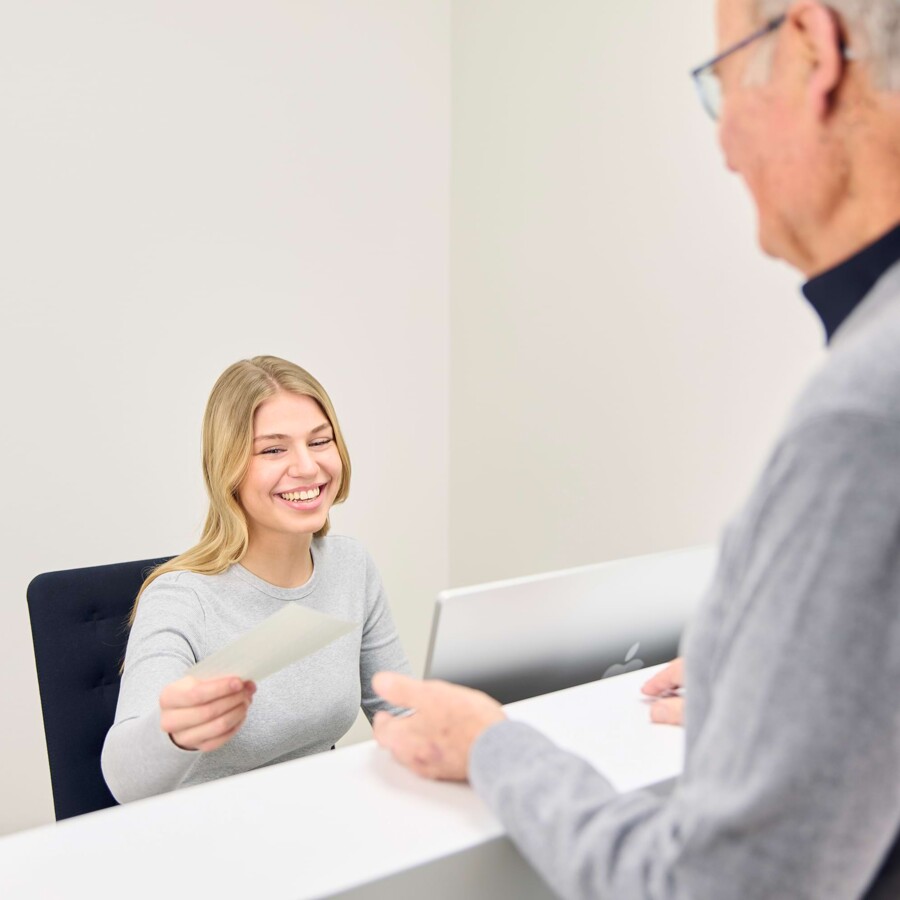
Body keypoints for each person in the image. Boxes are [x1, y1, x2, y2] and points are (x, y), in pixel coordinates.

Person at [372, 1, 900, 897]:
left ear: (811, 52)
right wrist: (772, 685)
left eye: (721, 84)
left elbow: (722, 886)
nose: (725, 145)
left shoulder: (863, 412)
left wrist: (495, 746)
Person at [102, 355, 410, 803]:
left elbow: (399, 713)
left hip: (318, 823)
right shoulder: (181, 597)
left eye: (320, 441)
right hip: (207, 841)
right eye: (273, 449)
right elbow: (124, 780)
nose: (307, 467)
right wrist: (175, 732)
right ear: (227, 468)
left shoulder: (350, 566)